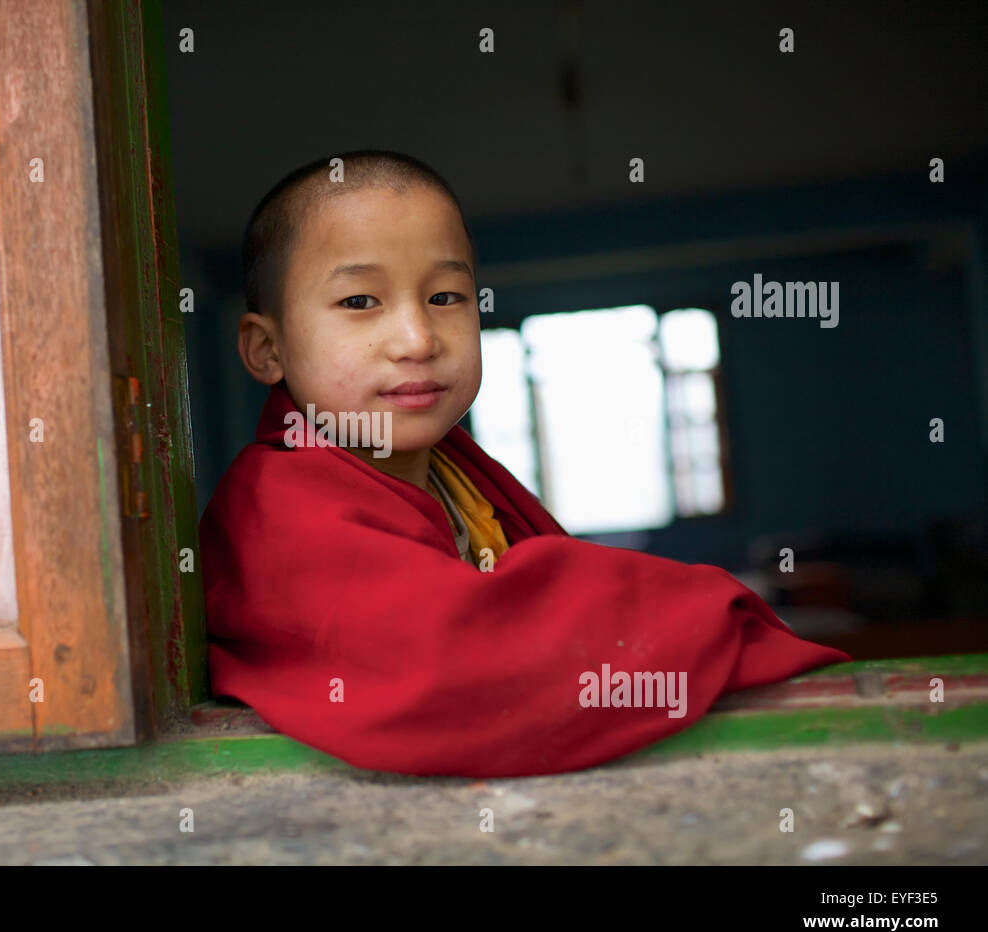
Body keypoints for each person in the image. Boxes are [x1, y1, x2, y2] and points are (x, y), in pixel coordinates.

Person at [197, 148, 850, 778]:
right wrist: (717, 609)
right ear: (266, 350)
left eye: (446, 297)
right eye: (360, 302)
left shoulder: (455, 469)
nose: (418, 340)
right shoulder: (273, 504)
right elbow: (465, 666)